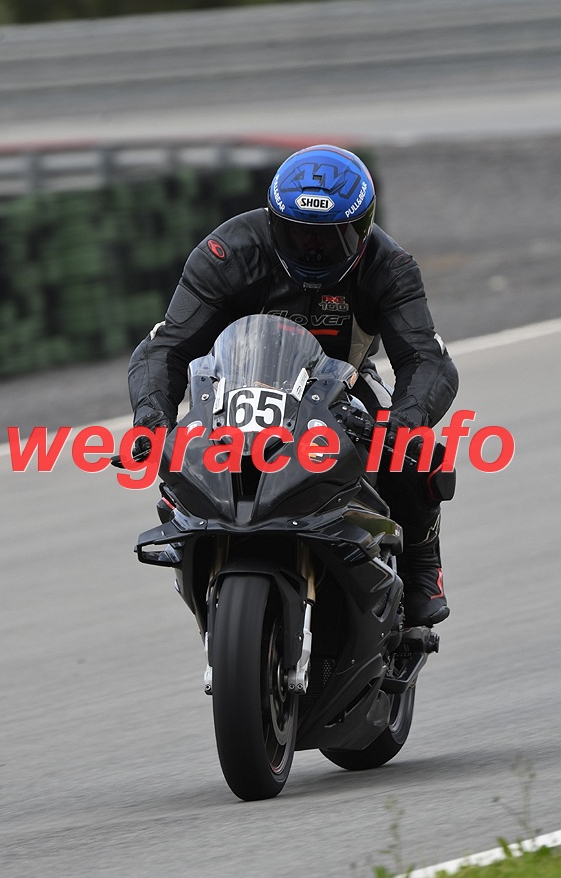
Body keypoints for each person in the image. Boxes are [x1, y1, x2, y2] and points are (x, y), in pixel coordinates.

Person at [128, 144, 459, 627]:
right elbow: (166, 347)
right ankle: (199, 543)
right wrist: (151, 417)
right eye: (298, 233)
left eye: (331, 238)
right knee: (177, 457)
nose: (313, 249)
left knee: (416, 450)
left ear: (363, 230)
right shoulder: (228, 254)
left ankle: (422, 564)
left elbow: (427, 358)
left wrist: (406, 420)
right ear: (273, 220)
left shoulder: (389, 265)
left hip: (344, 387)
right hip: (237, 387)